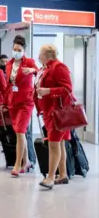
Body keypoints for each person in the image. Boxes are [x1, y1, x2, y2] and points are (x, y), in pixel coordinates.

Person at [35, 45, 74, 189]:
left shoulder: (59, 67)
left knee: (53, 144)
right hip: (49, 111)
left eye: (40, 54)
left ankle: (50, 177)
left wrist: (48, 91)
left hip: (58, 113)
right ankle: (62, 174)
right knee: (60, 143)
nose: (39, 56)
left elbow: (67, 89)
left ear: (46, 54)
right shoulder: (45, 68)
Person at [4, 35, 38, 177]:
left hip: (26, 102)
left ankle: (17, 164)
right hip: (13, 102)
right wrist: (5, 102)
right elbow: (8, 85)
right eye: (14, 49)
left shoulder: (29, 62)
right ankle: (27, 161)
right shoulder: (9, 64)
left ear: (23, 50)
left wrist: (31, 70)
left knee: (20, 132)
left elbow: (39, 71)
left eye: (19, 49)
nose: (16, 51)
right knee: (19, 133)